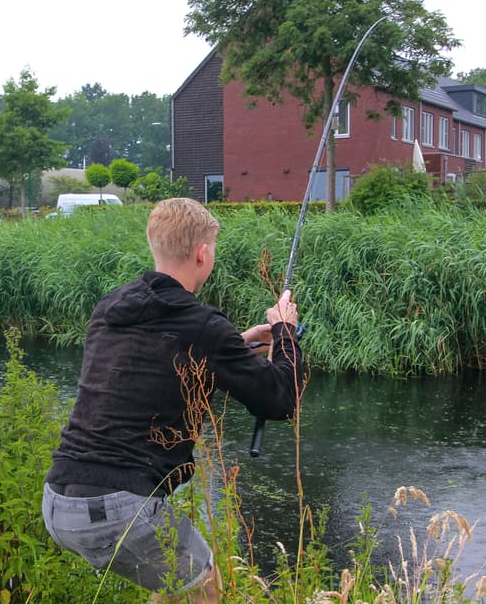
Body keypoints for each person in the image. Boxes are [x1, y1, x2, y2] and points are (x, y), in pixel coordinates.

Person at [42, 197, 305, 603]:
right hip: (116, 506)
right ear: (202, 253)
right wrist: (284, 332)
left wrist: (235, 346)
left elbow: (156, 358)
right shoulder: (202, 327)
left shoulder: (110, 308)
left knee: (179, 587)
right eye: (212, 249)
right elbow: (281, 399)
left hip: (58, 499)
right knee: (206, 589)